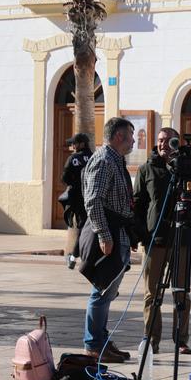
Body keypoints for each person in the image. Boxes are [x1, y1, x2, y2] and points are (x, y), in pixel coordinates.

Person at [133, 127, 191, 355]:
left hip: (182, 239)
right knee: (152, 294)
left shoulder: (189, 168)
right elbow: (137, 205)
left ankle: (181, 340)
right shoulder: (147, 169)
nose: (163, 145)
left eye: (169, 141)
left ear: (178, 143)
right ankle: (151, 339)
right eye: (160, 140)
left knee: (181, 292)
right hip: (155, 239)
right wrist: (138, 235)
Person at [80, 117, 138, 364]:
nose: (133, 141)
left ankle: (101, 340)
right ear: (118, 137)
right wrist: (104, 235)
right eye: (130, 136)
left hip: (119, 232)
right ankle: (93, 344)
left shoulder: (116, 160)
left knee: (108, 292)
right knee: (101, 291)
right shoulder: (104, 160)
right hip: (110, 234)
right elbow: (93, 201)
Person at [59, 133, 93, 269]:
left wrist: (75, 183)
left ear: (82, 144)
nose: (72, 146)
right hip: (93, 197)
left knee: (82, 227)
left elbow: (64, 178)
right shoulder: (94, 157)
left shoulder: (73, 159)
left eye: (74, 143)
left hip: (79, 200)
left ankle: (74, 256)